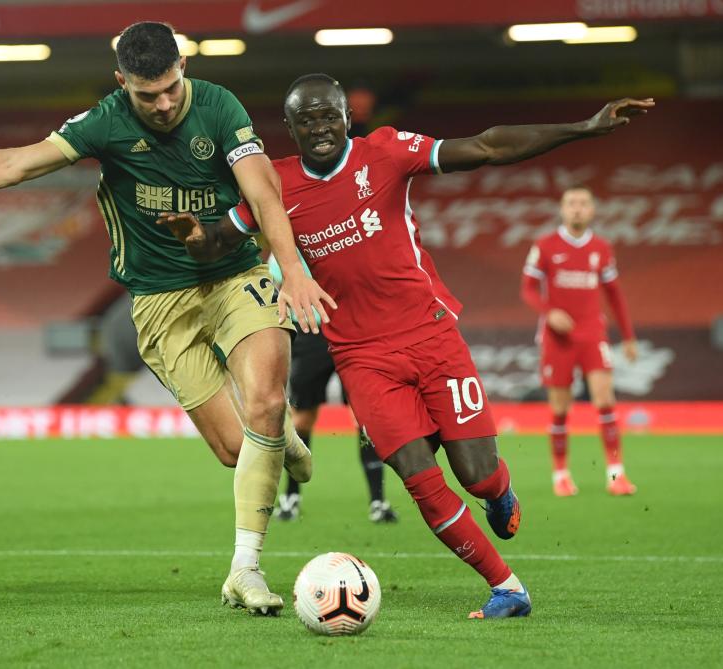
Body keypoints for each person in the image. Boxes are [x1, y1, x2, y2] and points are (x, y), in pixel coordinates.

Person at [0, 22, 337, 616]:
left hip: (235, 275)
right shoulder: (104, 121)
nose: (161, 105)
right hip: (160, 299)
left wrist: (295, 268)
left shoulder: (218, 106)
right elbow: (16, 164)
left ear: (183, 67)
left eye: (170, 89)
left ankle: (244, 569)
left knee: (261, 400)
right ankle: (281, 439)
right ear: (120, 82)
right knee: (240, 450)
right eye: (145, 94)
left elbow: (263, 193)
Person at [158, 73, 653, 619]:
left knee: (476, 472)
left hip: (432, 335)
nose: (320, 128)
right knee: (419, 478)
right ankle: (507, 587)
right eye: (306, 120)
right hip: (361, 359)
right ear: (292, 129)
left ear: (347, 117)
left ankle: (497, 492)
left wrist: (583, 128)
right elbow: (217, 242)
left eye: (329, 116)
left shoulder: (387, 152)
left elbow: (487, 146)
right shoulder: (274, 185)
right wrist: (194, 238)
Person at [521, 186, 638, 497]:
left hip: (592, 333)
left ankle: (617, 475)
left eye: (583, 203)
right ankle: (561, 474)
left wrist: (628, 336)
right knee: (560, 409)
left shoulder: (601, 247)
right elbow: (529, 289)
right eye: (571, 203)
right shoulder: (545, 246)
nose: (577, 208)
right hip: (557, 338)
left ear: (592, 210)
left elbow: (615, 294)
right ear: (562, 209)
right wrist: (550, 313)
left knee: (605, 401)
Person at [265, 254, 397, 524]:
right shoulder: (286, 243)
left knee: (364, 419)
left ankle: (378, 501)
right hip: (308, 332)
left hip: (351, 332)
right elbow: (274, 281)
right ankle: (291, 498)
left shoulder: (337, 235)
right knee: (302, 418)